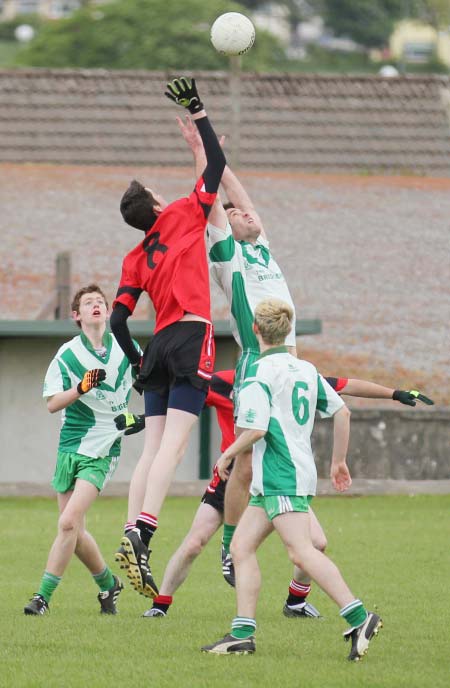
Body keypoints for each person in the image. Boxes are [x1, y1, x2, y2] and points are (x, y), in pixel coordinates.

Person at [177, 115, 433, 612]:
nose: (246, 213)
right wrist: (200, 147)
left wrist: (219, 157)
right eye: (236, 213)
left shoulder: (264, 248)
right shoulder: (227, 252)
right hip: (258, 362)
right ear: (225, 224)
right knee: (246, 462)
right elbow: (211, 195)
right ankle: (232, 547)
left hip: (290, 362)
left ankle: (290, 588)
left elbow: (234, 188)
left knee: (296, 491)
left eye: (248, 213)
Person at [115, 370, 432, 619]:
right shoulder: (228, 381)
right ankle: (161, 604)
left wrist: (395, 394)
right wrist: (141, 419)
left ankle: (295, 601)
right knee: (195, 543)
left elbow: (345, 385)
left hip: (273, 477)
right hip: (231, 475)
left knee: (317, 543)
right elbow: (183, 407)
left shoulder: (292, 374)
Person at [202, 299, 383, 660]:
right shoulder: (306, 369)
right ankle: (242, 634)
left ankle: (359, 616)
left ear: (255, 330)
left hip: (281, 475)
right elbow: (342, 411)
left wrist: (226, 454)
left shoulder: (257, 373)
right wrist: (339, 462)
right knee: (240, 549)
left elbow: (255, 428)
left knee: (301, 550)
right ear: (287, 331)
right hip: (282, 476)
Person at [109, 77, 226, 598]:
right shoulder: (180, 215)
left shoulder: (135, 255)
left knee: (151, 449)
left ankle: (132, 527)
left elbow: (116, 322)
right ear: (156, 206)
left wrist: (136, 361)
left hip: (155, 344)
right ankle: (144, 530)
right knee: (175, 448)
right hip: (190, 333)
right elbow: (216, 174)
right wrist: (199, 116)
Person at [24, 284, 141, 616]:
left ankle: (42, 598)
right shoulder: (68, 354)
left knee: (68, 524)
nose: (96, 306)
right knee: (74, 529)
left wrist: (138, 418)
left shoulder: (127, 347)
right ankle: (108, 585)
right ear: (76, 315)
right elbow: (52, 404)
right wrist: (80, 387)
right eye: (88, 303)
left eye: (100, 302)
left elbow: (149, 382)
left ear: (106, 312)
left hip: (104, 449)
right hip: (71, 445)